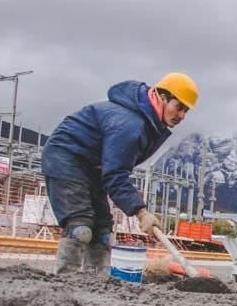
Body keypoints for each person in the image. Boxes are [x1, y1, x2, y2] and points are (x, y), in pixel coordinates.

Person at [40, 73, 199, 274]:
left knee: (103, 230)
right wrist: (140, 211)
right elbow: (115, 174)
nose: (182, 115)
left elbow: (114, 170)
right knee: (80, 225)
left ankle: (96, 281)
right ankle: (67, 281)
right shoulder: (130, 124)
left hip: (92, 166)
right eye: (179, 107)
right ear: (162, 97)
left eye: (186, 110)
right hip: (66, 157)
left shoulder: (148, 124)